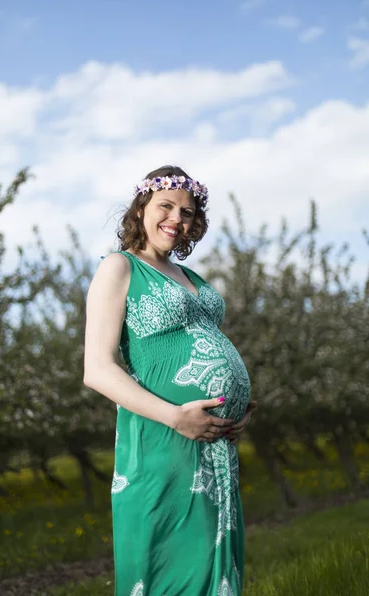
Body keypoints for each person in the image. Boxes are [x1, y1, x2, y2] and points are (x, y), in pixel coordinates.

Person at [84, 165, 257, 596]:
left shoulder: (191, 278)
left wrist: (235, 400)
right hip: (164, 434)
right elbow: (97, 369)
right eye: (166, 206)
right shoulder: (119, 267)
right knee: (171, 567)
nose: (177, 219)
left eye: (187, 212)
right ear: (142, 207)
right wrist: (176, 416)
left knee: (212, 566)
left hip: (213, 444)